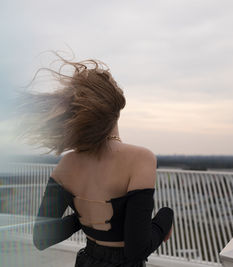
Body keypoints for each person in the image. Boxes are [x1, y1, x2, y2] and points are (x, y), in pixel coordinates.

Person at [20, 53, 174, 267]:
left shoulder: (66, 164)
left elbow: (42, 237)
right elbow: (136, 250)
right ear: (117, 107)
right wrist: (165, 218)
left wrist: (88, 217)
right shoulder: (140, 158)